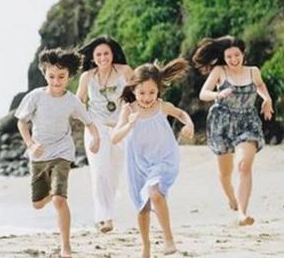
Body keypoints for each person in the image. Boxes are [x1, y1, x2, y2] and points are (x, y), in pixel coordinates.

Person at [15, 48, 101, 258]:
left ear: (70, 76)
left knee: (59, 200)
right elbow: (22, 122)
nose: (56, 81)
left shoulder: (72, 101)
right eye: (51, 76)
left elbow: (89, 122)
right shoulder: (35, 97)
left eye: (61, 77)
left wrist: (96, 138)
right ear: (45, 74)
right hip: (39, 154)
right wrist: (31, 144)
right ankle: (50, 196)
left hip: (63, 152)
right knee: (37, 204)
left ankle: (66, 246)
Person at [111, 59, 193, 257]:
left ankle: (168, 239)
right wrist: (129, 125)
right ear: (133, 90)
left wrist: (189, 124)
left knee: (155, 192)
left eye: (152, 93)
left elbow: (181, 114)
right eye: (141, 93)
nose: (147, 98)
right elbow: (114, 138)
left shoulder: (162, 107)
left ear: (158, 91)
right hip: (138, 163)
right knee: (143, 207)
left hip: (163, 158)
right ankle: (146, 245)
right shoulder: (128, 110)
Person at [192, 36, 273, 226]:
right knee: (225, 172)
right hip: (222, 122)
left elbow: (260, 85)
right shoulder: (219, 71)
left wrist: (267, 99)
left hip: (247, 121)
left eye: (237, 55)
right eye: (229, 56)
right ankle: (230, 196)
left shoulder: (253, 71)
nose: (233, 59)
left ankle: (243, 214)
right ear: (224, 58)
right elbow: (203, 93)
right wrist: (218, 94)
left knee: (244, 165)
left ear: (243, 55)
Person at [76, 36, 133, 233]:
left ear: (112, 54)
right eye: (98, 54)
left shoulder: (125, 71)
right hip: (95, 128)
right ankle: (105, 217)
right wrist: (87, 124)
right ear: (93, 57)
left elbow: (135, 96)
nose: (103, 58)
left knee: (114, 171)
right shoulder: (87, 77)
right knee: (99, 171)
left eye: (106, 53)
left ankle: (108, 207)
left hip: (120, 126)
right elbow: (78, 103)